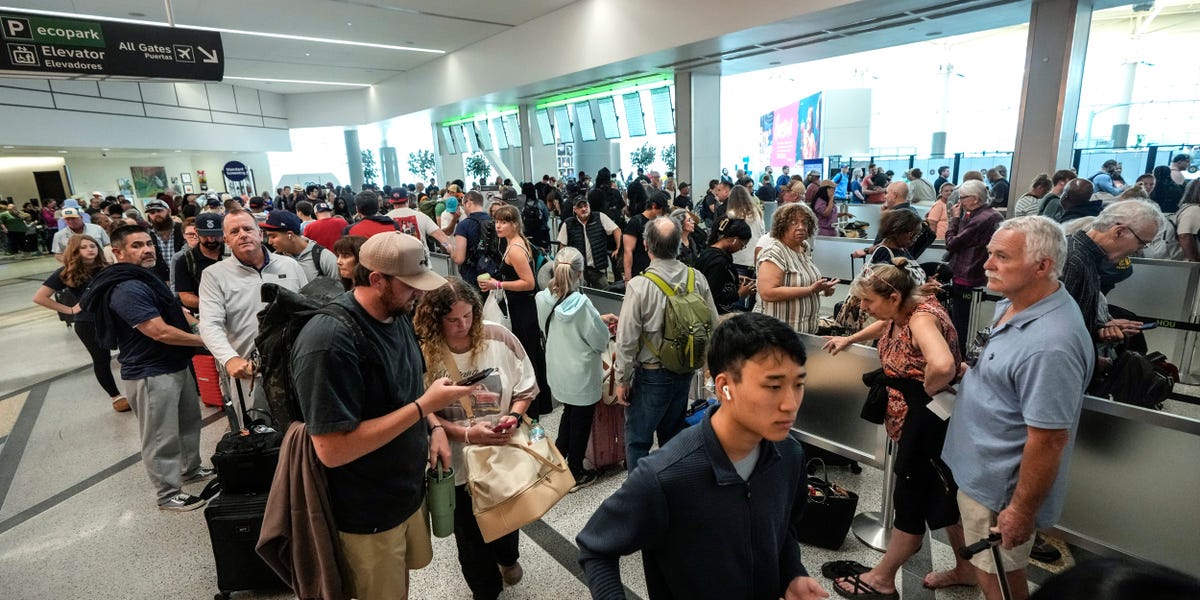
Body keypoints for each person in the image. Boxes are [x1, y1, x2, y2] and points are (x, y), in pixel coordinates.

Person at [578, 312, 827, 600]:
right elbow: (595, 547)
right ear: (724, 387)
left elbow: (783, 530)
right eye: (773, 386)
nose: (790, 404)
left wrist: (792, 573)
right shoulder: (664, 476)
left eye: (798, 384)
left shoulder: (789, 455)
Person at [292, 232, 469, 600]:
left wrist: (433, 425)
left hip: (404, 491)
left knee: (399, 584)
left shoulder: (396, 314)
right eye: (410, 286)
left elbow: (411, 384)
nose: (419, 294)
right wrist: (424, 409)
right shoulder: (330, 342)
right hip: (366, 513)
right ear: (376, 279)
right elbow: (332, 449)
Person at [942, 216, 1094, 600]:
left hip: (1000, 488)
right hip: (979, 469)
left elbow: (1049, 439)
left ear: (1042, 265)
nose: (986, 265)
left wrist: (1021, 511)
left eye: (1001, 257)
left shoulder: (1051, 344)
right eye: (990, 253)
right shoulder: (1015, 303)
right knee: (988, 567)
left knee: (1000, 577)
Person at [821, 258, 971, 596]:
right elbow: (886, 326)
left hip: (926, 425)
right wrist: (850, 339)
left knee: (910, 499)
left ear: (892, 297)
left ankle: (883, 579)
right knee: (941, 495)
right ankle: (967, 568)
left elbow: (944, 364)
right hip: (925, 421)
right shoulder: (907, 309)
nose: (863, 307)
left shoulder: (922, 320)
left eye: (869, 301)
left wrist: (930, 387)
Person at [415, 279, 537, 600]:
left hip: (500, 455)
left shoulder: (498, 336)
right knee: (469, 536)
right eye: (453, 320)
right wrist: (465, 433)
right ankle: (485, 590)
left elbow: (525, 387)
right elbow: (420, 409)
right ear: (435, 319)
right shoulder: (425, 351)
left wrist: (513, 415)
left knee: (506, 521)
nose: (463, 325)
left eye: (469, 316)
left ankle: (508, 558)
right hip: (456, 462)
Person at [78, 225, 210, 511]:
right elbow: (158, 331)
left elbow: (175, 310)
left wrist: (199, 326)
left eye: (148, 243)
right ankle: (167, 494)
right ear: (118, 252)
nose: (147, 249)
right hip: (150, 372)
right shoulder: (126, 287)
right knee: (160, 435)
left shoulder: (146, 277)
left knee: (188, 422)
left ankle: (191, 470)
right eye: (137, 245)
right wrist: (204, 340)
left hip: (174, 362)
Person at [614, 217, 719, 472]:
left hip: (651, 374)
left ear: (647, 245)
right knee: (673, 438)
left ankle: (639, 499)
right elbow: (714, 325)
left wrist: (622, 379)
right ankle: (671, 488)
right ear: (678, 245)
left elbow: (626, 338)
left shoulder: (640, 285)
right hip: (685, 370)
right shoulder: (697, 278)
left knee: (638, 439)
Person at [198, 209, 308, 418]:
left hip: (297, 368)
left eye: (248, 229)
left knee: (304, 434)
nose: (243, 235)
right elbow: (210, 324)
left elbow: (308, 309)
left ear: (260, 233)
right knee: (261, 436)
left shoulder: (290, 265)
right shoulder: (214, 275)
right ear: (226, 240)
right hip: (251, 375)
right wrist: (229, 359)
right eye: (235, 231)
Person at [535, 247, 617, 490]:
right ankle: (575, 472)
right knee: (581, 419)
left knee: (569, 413)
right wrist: (600, 323)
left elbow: (559, 325)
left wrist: (596, 319)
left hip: (558, 366)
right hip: (581, 373)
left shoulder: (543, 298)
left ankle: (558, 459)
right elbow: (600, 341)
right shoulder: (582, 304)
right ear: (580, 273)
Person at [33, 234, 128, 412]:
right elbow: (40, 297)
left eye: (92, 246)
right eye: (83, 247)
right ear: (75, 251)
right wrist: (69, 310)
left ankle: (135, 388)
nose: (90, 249)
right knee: (101, 360)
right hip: (88, 322)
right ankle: (116, 396)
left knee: (130, 354)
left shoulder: (108, 268)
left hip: (117, 318)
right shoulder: (66, 273)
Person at [1060, 200, 1162, 350]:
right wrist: (1094, 361)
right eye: (1141, 243)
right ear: (1119, 232)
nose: (1139, 251)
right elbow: (1060, 332)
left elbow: (1074, 323)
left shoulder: (1083, 256)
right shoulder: (1075, 261)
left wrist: (1100, 328)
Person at [482, 204, 554, 418]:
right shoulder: (517, 243)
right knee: (530, 353)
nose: (498, 226)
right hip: (522, 306)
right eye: (496, 221)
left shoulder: (514, 249)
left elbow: (529, 283)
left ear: (514, 224)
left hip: (522, 307)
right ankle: (536, 405)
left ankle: (531, 407)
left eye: (503, 222)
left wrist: (498, 285)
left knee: (526, 355)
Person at [755, 203, 837, 334]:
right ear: (781, 226)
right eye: (793, 222)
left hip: (804, 331)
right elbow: (767, 292)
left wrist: (822, 289)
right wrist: (810, 290)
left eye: (805, 223)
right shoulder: (774, 252)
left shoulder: (804, 247)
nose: (801, 227)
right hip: (778, 332)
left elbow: (800, 280)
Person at [944, 180, 1003, 343]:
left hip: (967, 277)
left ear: (975, 198)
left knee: (961, 323)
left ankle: (959, 357)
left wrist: (955, 219)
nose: (959, 202)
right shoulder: (993, 215)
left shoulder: (980, 220)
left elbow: (952, 244)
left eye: (962, 198)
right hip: (980, 275)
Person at [694, 218, 755, 315]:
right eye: (742, 245)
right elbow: (713, 295)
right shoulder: (718, 262)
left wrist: (733, 278)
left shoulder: (710, 252)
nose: (740, 249)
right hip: (716, 314)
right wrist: (739, 294)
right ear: (735, 240)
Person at [558, 196, 621, 289]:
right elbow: (562, 246)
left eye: (585, 205)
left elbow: (616, 230)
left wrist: (619, 248)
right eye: (580, 207)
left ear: (589, 205)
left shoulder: (600, 217)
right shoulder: (568, 223)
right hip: (577, 270)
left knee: (604, 293)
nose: (584, 209)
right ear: (574, 209)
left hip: (598, 269)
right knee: (577, 294)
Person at [260, 210, 338, 281]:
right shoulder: (273, 261)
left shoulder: (324, 258)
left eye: (273, 236)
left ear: (290, 235)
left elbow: (340, 292)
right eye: (268, 236)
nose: (269, 242)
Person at [174, 213, 227, 313]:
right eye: (206, 235)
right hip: (205, 313)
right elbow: (185, 296)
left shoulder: (233, 253)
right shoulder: (185, 260)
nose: (211, 240)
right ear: (196, 232)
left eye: (216, 234)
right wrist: (214, 304)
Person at [386, 188, 454, 255]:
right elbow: (441, 237)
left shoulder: (385, 219)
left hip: (396, 263)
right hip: (421, 263)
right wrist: (449, 248)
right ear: (408, 200)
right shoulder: (421, 216)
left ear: (391, 202)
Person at [622, 192, 668, 281]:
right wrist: (628, 278)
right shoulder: (635, 222)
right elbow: (628, 251)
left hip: (656, 270)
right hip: (640, 272)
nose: (663, 213)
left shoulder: (658, 222)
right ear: (654, 206)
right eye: (662, 210)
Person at [451, 191, 493, 290]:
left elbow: (459, 259)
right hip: (492, 275)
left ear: (469, 203)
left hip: (472, 277)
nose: (463, 209)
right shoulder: (494, 221)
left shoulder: (463, 225)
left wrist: (451, 251)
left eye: (463, 204)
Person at [143, 199, 186, 284]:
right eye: (152, 213)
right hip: (159, 282)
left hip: (184, 279)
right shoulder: (147, 235)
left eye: (159, 211)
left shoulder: (182, 229)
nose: (156, 215)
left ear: (169, 211)